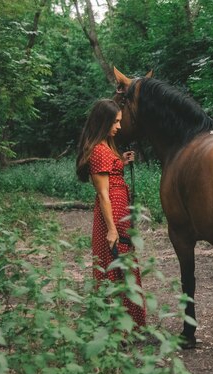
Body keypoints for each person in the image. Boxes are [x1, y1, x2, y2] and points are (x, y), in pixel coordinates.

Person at [76, 99, 146, 327]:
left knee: (124, 261)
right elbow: (104, 194)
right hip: (112, 215)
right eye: (115, 122)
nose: (119, 126)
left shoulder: (106, 147)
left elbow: (111, 177)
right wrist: (112, 229)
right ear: (103, 122)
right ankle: (119, 327)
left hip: (119, 210)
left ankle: (130, 324)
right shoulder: (98, 151)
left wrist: (121, 162)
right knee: (115, 262)